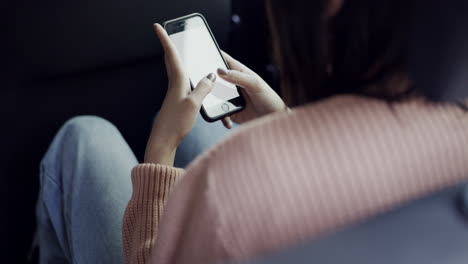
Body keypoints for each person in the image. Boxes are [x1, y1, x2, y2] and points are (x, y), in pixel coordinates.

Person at [35, 0, 468, 263]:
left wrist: (161, 149)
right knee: (208, 137)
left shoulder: (228, 188)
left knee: (84, 138)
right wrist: (285, 122)